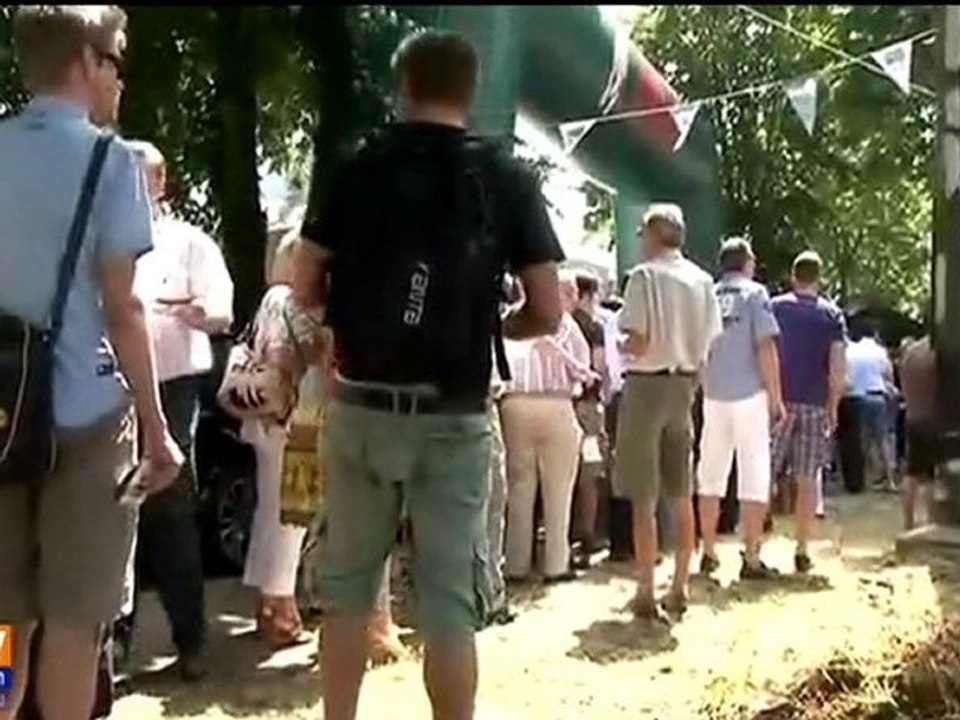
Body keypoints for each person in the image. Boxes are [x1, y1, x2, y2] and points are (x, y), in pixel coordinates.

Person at [293, 30, 564, 720]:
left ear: (402, 85)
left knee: (348, 591)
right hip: (455, 411)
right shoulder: (505, 176)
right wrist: (490, 329)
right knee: (447, 603)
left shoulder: (356, 164)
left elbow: (302, 279)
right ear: (470, 92)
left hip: (359, 403)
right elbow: (549, 309)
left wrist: (338, 323)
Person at [0, 6, 182, 720]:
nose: (120, 78)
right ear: (85, 61)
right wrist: (157, 426)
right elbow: (122, 306)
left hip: (1, 414)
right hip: (83, 415)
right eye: (117, 61)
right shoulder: (112, 163)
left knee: (3, 622)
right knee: (76, 625)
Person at [127, 140, 235, 680]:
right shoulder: (102, 236)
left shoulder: (189, 243)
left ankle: (189, 641)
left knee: (171, 507)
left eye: (138, 176)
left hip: (174, 386)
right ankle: (109, 653)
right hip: (111, 387)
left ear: (160, 183)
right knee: (116, 508)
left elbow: (222, 312)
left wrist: (198, 313)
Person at [616, 203, 722, 624]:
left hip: (646, 384)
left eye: (643, 232)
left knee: (643, 495)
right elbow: (709, 342)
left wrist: (621, 346)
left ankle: (645, 590)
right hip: (684, 384)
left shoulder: (643, 276)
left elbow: (637, 340)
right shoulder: (702, 280)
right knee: (681, 490)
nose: (639, 239)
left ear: (655, 235)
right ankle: (679, 585)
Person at [241, 230, 324, 649]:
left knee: (272, 512)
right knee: (290, 516)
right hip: (290, 419)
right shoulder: (285, 299)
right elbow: (281, 356)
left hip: (275, 421)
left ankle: (267, 603)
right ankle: (280, 609)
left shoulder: (273, 298)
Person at [696, 237, 784, 579]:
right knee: (753, 474)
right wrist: (775, 396)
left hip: (714, 395)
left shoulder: (707, 296)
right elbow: (765, 348)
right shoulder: (756, 294)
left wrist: (705, 386)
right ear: (747, 262)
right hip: (749, 394)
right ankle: (750, 555)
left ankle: (707, 550)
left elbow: (699, 348)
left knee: (710, 473)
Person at [501, 273, 592, 584]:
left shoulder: (508, 322)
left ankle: (515, 563)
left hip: (514, 404)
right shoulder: (565, 324)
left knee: (518, 488)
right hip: (556, 403)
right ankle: (556, 563)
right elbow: (582, 371)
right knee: (558, 490)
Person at [771, 251, 847, 573]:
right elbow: (838, 367)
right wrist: (833, 405)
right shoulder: (831, 316)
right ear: (819, 277)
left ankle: (753, 545)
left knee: (765, 472)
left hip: (779, 402)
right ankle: (802, 550)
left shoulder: (774, 308)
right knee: (807, 479)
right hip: (815, 403)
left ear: (792, 275)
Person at [898, 334, 938, 529]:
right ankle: (932, 521)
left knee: (911, 473)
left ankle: (908, 522)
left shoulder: (911, 353)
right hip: (934, 419)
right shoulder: (937, 352)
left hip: (913, 417)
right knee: (931, 474)